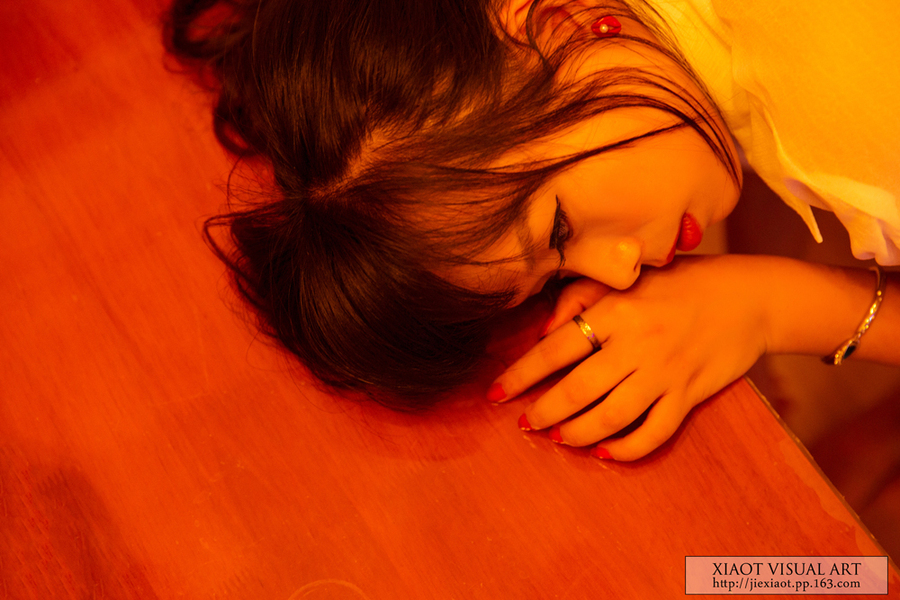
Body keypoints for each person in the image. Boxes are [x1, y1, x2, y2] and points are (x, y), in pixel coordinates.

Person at [165, 0, 900, 459]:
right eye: (559, 272)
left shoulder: (855, 110)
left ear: (555, 21)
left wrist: (773, 305)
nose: (620, 272)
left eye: (559, 231)